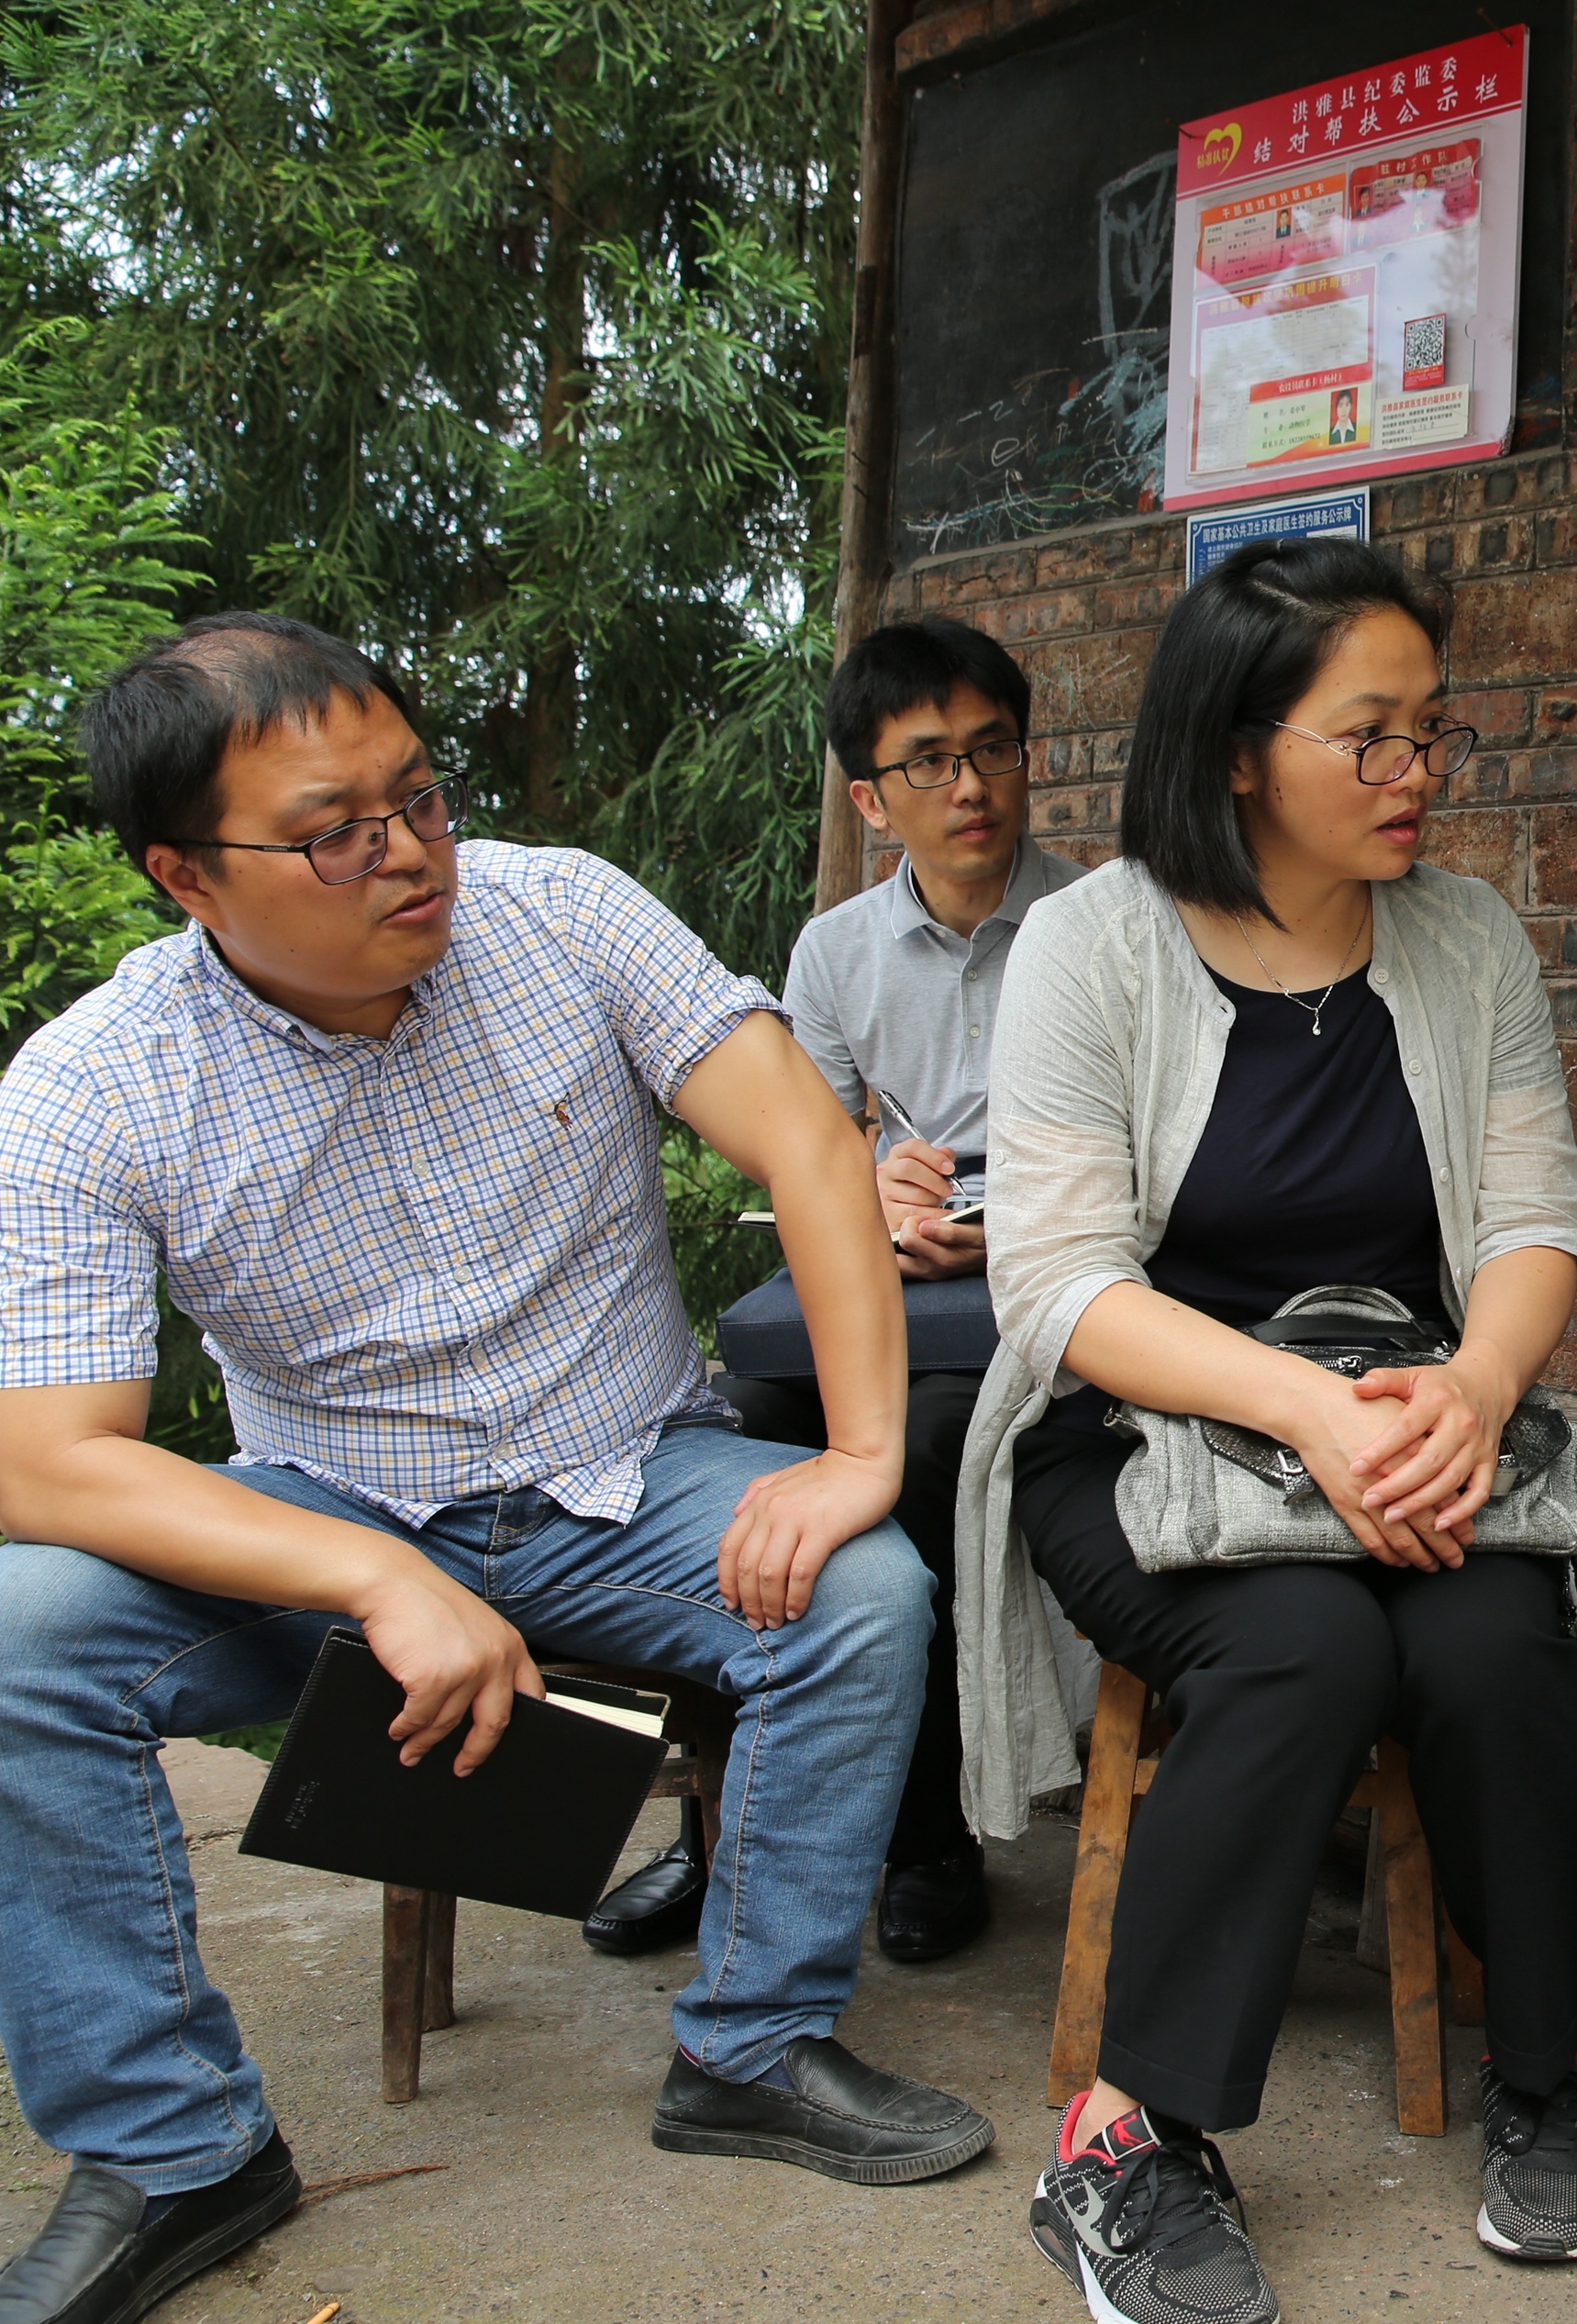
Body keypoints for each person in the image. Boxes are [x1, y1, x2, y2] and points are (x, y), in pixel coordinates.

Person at [0, 616, 993, 2324]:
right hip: (329, 1507)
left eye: (420, 796)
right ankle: (176, 2147)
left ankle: (751, 2044)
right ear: (188, 876)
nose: (409, 853)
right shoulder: (94, 1088)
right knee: (21, 1637)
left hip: (622, 1469)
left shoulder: (560, 913)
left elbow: (812, 1150)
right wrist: (384, 1577)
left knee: (864, 1586)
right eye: (336, 830)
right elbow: (46, 1464)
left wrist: (858, 1455)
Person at [948, 539, 1577, 2324]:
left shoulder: (1464, 939)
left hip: (1412, 1414)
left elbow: (1542, 1217)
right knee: (1305, 1651)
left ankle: (1546, 2072)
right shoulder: (1094, 946)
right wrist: (1311, 1413)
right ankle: (1127, 2141)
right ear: (1239, 746)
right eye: (1369, 734)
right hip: (1148, 1430)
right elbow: (1062, 1286)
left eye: (1429, 732)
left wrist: (1466, 1397)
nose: (1417, 771)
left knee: (1498, 1650)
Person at [585, 616, 1083, 1968]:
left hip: (1046, 1304)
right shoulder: (833, 951)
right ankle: (712, 1836)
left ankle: (928, 1835)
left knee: (917, 1461)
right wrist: (871, 1183)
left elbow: (1167, 1156)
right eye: (927, 763)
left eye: (991, 750)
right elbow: (805, 1146)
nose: (970, 787)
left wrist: (1012, 1216)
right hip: (889, 1289)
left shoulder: (1105, 925)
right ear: (869, 799)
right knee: (727, 1436)